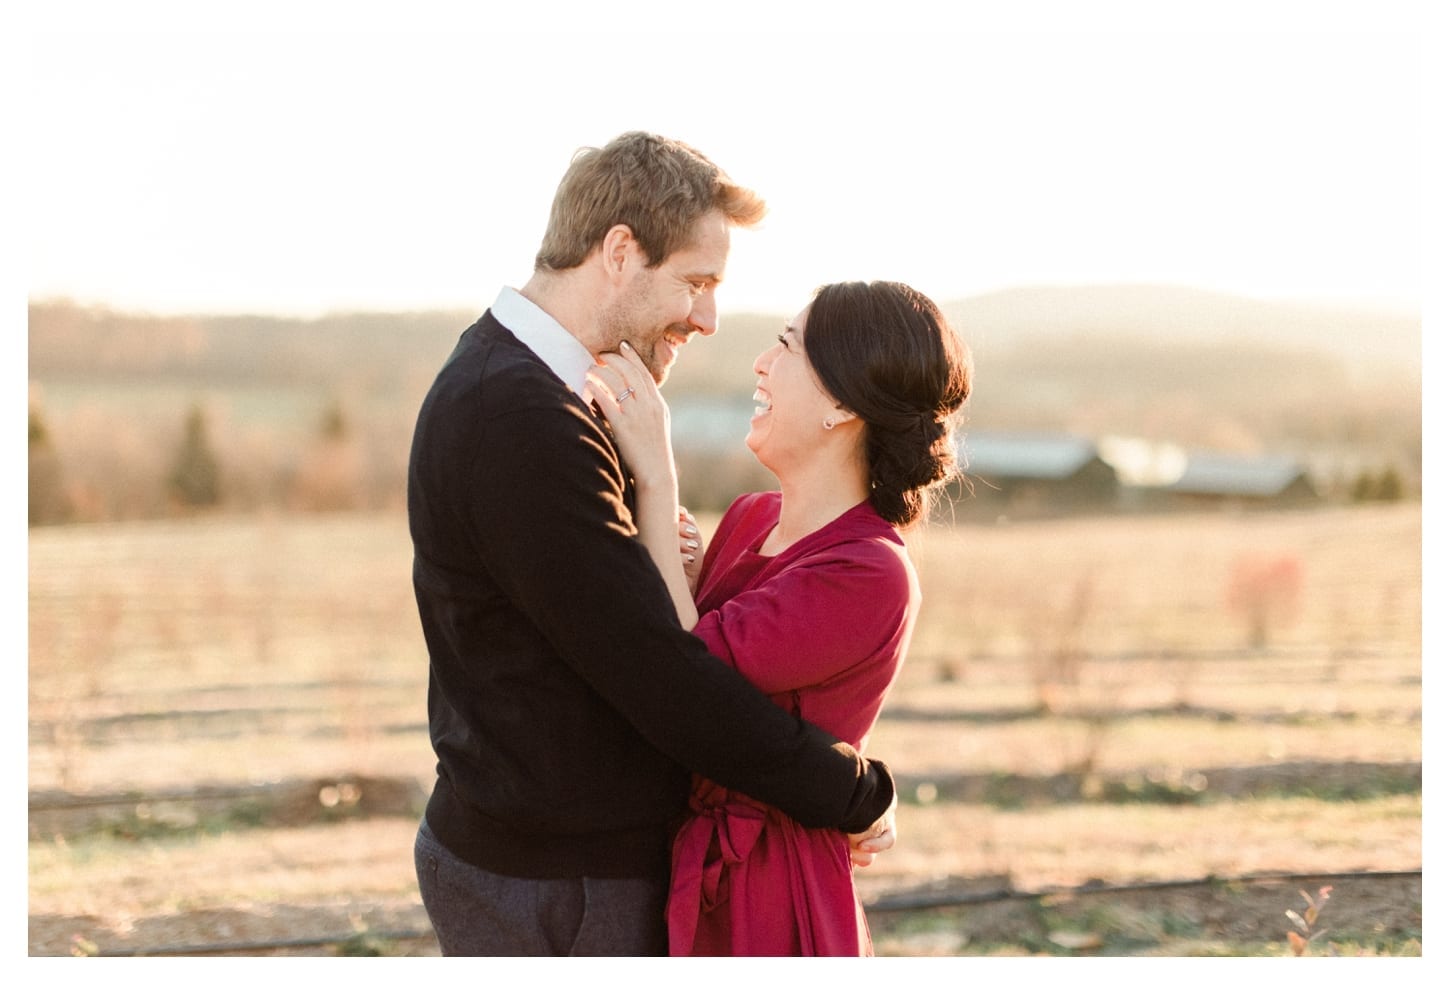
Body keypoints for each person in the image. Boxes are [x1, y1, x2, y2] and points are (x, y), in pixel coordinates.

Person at [407, 132, 897, 957]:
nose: (707, 318)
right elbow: (662, 677)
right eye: (696, 283)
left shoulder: (528, 386)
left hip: (549, 860)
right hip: (558, 886)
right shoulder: (520, 417)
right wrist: (851, 790)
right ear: (620, 251)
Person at [588, 279, 972, 955]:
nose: (762, 363)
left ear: (844, 402)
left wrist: (657, 479)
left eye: (788, 346)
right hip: (679, 854)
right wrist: (673, 569)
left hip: (770, 886)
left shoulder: (870, 570)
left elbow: (689, 678)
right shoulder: (747, 517)